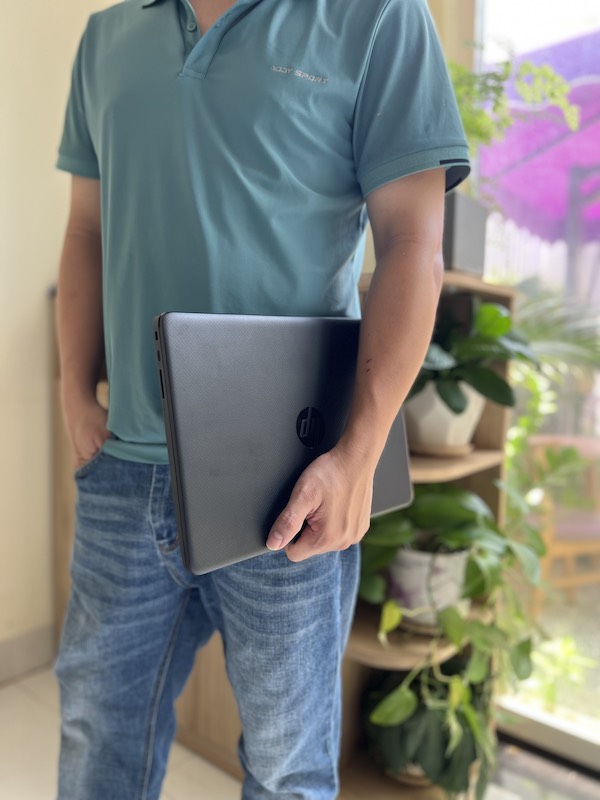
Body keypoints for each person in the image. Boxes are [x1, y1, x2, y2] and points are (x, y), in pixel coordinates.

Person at [54, 0, 470, 798]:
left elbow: (414, 244)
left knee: (288, 774)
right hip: (123, 471)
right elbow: (84, 230)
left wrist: (359, 455)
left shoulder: (379, 17)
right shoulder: (108, 35)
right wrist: (74, 390)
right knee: (96, 739)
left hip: (290, 477)